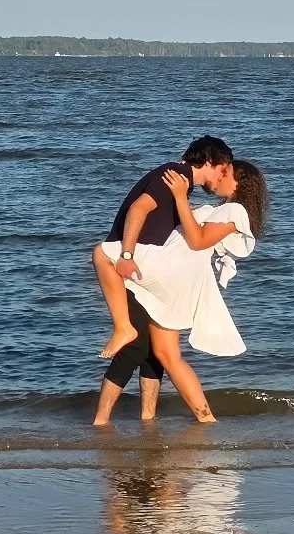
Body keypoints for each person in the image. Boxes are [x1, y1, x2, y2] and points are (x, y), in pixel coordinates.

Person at [94, 159, 268, 424]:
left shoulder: (235, 212)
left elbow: (197, 241)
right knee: (166, 354)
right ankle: (204, 419)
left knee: (102, 254)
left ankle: (122, 330)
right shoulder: (225, 210)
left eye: (226, 174)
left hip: (173, 272)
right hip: (177, 276)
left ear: (240, 183)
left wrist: (179, 197)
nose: (219, 177)